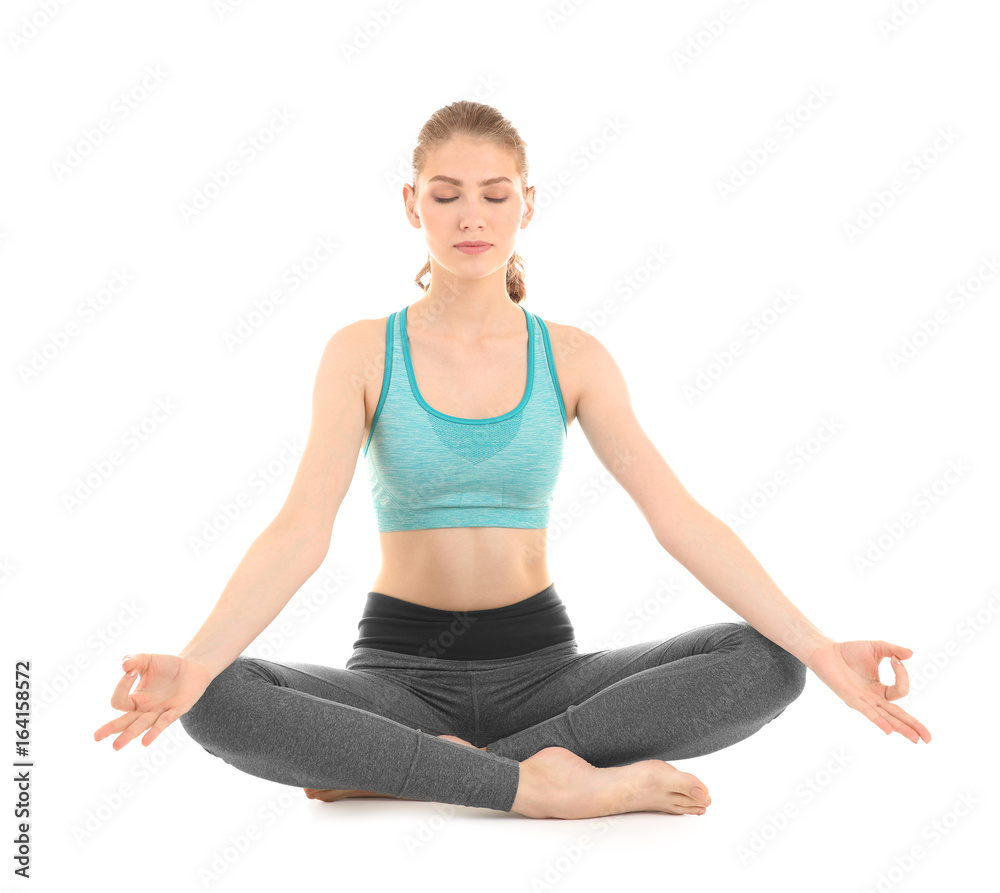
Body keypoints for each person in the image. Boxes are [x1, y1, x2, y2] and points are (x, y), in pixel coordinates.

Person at [93, 101, 931, 820]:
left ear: (527, 204)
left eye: (495, 195)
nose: (471, 217)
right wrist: (196, 663)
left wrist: (823, 650)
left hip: (546, 676)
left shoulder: (572, 357)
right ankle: (539, 784)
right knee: (221, 700)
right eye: (446, 195)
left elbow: (679, 518)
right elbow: (300, 529)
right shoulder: (361, 352)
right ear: (410, 204)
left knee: (764, 664)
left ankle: (408, 767)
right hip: (397, 678)